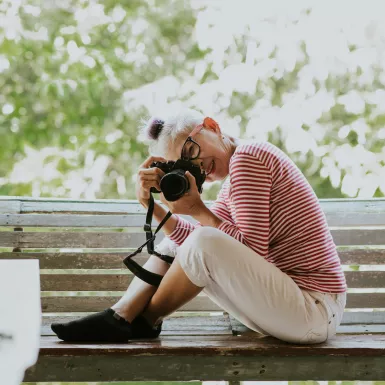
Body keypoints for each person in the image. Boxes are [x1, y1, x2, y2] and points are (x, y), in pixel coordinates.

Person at [51, 108, 347, 344]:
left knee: (204, 240)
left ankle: (141, 320)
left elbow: (247, 250)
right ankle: (119, 316)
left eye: (191, 152)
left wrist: (197, 209)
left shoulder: (248, 158)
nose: (198, 167)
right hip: (299, 309)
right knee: (184, 240)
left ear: (212, 126)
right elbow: (195, 243)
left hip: (313, 309)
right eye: (185, 165)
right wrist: (152, 208)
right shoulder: (234, 181)